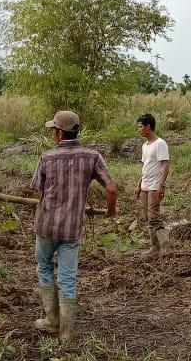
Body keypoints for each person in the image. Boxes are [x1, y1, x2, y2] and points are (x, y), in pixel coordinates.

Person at [30, 110, 117, 345]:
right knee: (68, 278)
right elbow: (111, 188)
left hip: (46, 226)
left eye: (52, 130)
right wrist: (111, 211)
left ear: (59, 133)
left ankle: (52, 319)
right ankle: (66, 335)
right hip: (71, 229)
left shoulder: (47, 157)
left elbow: (38, 193)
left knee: (45, 267)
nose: (52, 133)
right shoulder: (92, 157)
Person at [135, 113, 170, 254]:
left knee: (154, 217)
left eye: (141, 127)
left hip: (155, 185)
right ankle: (154, 247)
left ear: (148, 127)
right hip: (145, 185)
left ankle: (165, 247)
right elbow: (145, 167)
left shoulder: (160, 144)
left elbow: (165, 165)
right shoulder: (145, 145)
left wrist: (162, 184)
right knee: (147, 217)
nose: (139, 130)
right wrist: (139, 185)